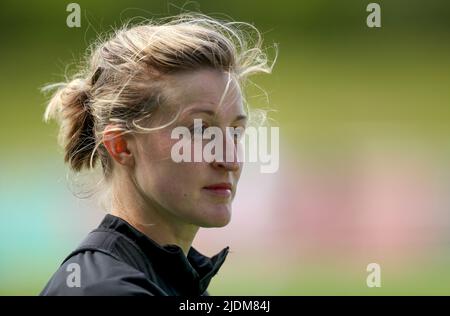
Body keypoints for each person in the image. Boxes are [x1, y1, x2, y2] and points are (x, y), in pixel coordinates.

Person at [40, 13, 275, 296]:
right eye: (199, 130)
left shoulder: (174, 284)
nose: (230, 160)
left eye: (235, 132)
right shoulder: (103, 290)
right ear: (121, 146)